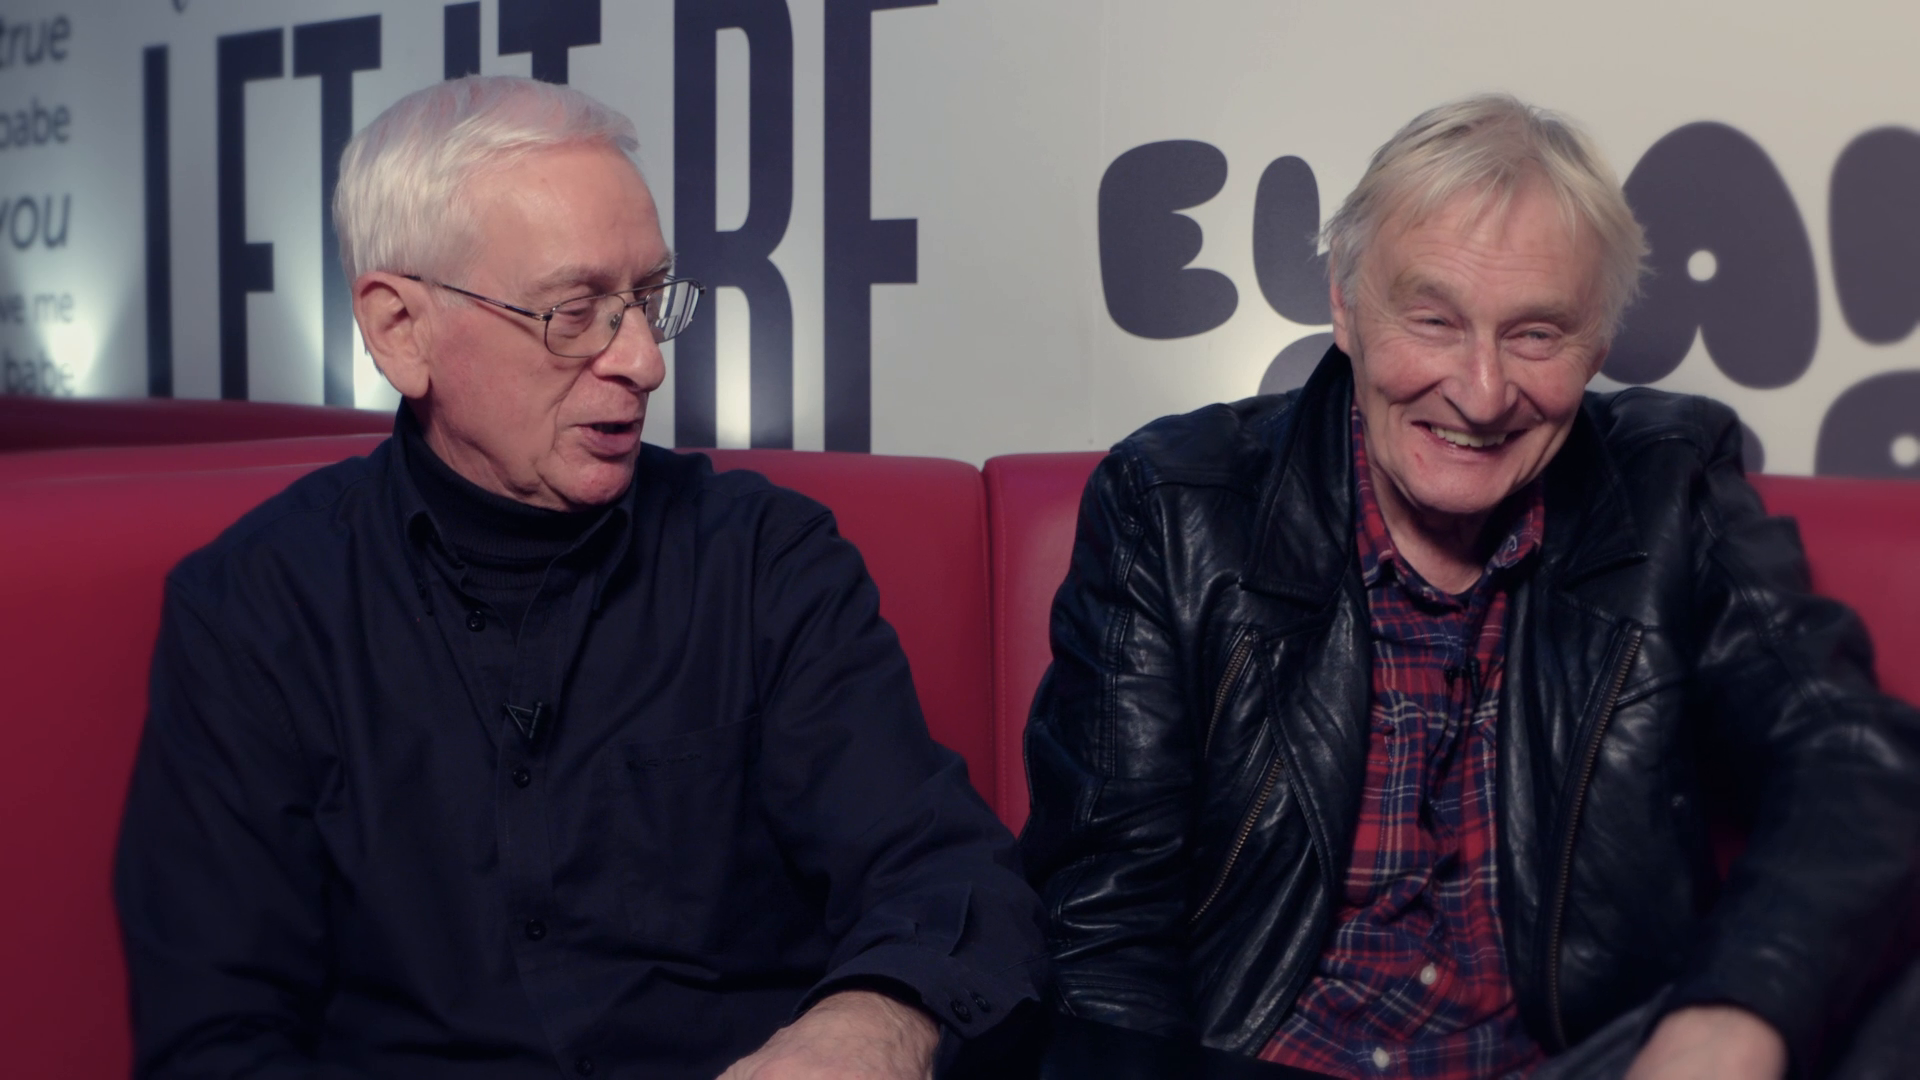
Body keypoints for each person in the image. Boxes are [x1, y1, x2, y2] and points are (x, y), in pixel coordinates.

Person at [114, 75, 1043, 1080]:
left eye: (648, 300)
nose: (642, 361)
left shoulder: (765, 564)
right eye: (576, 311)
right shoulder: (255, 610)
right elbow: (216, 1037)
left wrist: (869, 1027)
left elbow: (945, 877)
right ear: (399, 330)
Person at [1021, 94, 1920, 1079]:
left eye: (1535, 335)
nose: (1481, 393)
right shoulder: (1176, 505)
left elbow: (1855, 757)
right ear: (1346, 306)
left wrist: (1728, 1019)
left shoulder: (1669, 486)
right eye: (1434, 320)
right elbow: (1103, 932)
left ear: (1598, 344)